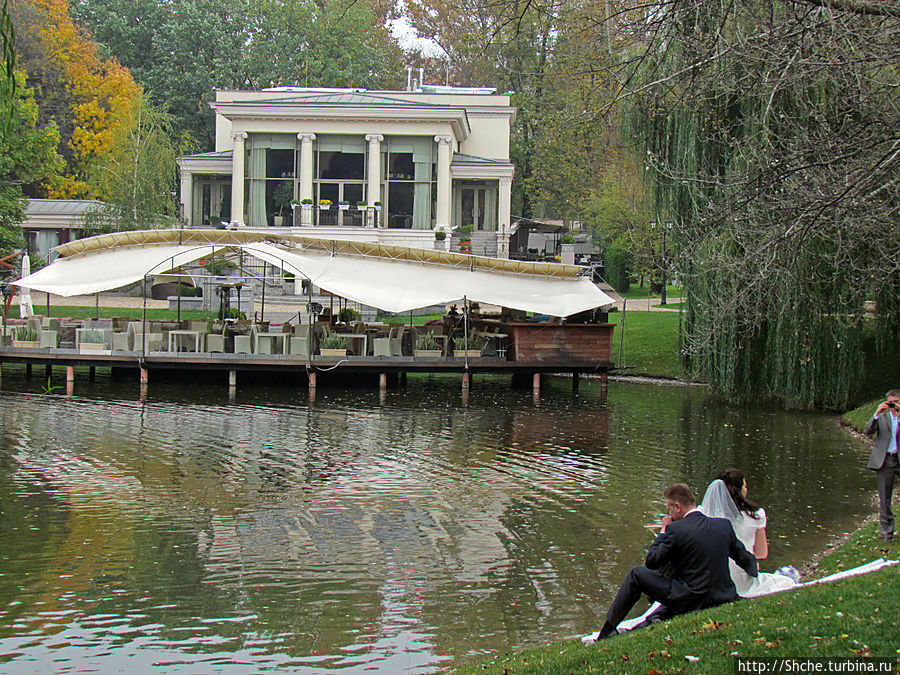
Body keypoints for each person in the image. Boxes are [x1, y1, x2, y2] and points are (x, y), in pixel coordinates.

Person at [595, 483, 757, 640]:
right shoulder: (723, 526)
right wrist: (754, 572)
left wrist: (664, 531)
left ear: (677, 507)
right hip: (723, 595)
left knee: (636, 574)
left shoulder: (675, 530)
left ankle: (608, 629)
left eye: (669, 508)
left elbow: (652, 561)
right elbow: (742, 556)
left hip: (690, 598)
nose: (669, 514)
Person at [700, 470, 799, 597]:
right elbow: (762, 553)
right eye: (745, 486)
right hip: (741, 581)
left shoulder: (704, 516)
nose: (746, 489)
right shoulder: (755, 516)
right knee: (785, 581)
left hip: (714, 582)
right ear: (740, 491)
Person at [863, 389, 900, 541]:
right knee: (885, 498)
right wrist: (877, 413)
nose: (894, 405)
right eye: (892, 402)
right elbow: (868, 431)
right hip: (885, 461)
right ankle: (887, 533)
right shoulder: (882, 418)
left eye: (897, 402)